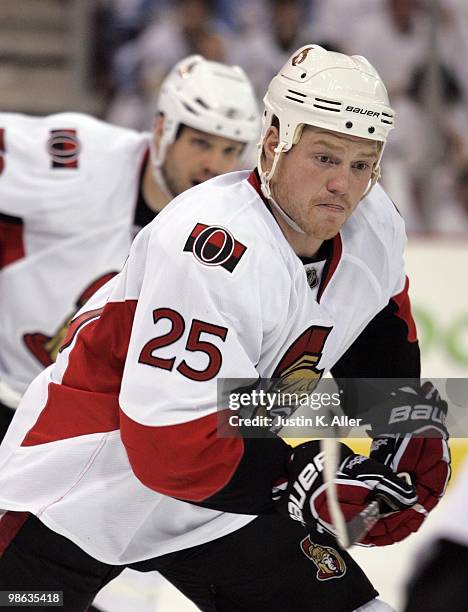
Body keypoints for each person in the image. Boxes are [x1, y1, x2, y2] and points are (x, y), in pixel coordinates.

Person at [0, 45, 450, 612]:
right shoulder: (210, 244)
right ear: (273, 144)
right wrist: (302, 482)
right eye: (325, 157)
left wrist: (405, 429)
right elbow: (170, 447)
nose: (343, 185)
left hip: (217, 499)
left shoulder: (375, 226)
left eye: (361, 165)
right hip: (79, 486)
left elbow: (381, 342)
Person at [0, 54, 260, 441]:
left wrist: (376, 415)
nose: (212, 165)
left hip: (110, 436)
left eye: (228, 151)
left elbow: (253, 386)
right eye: (201, 142)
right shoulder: (85, 158)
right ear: (161, 130)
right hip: (12, 394)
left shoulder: (242, 237)